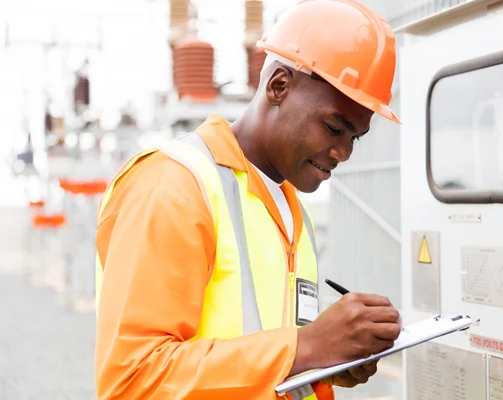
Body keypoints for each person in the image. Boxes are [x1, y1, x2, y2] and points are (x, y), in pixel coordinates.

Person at [94, 0, 402, 398]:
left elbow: (266, 353)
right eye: (333, 127)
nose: (344, 152)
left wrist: (329, 361)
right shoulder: (173, 187)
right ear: (278, 86)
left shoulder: (290, 210)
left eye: (354, 137)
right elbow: (133, 380)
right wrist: (306, 347)